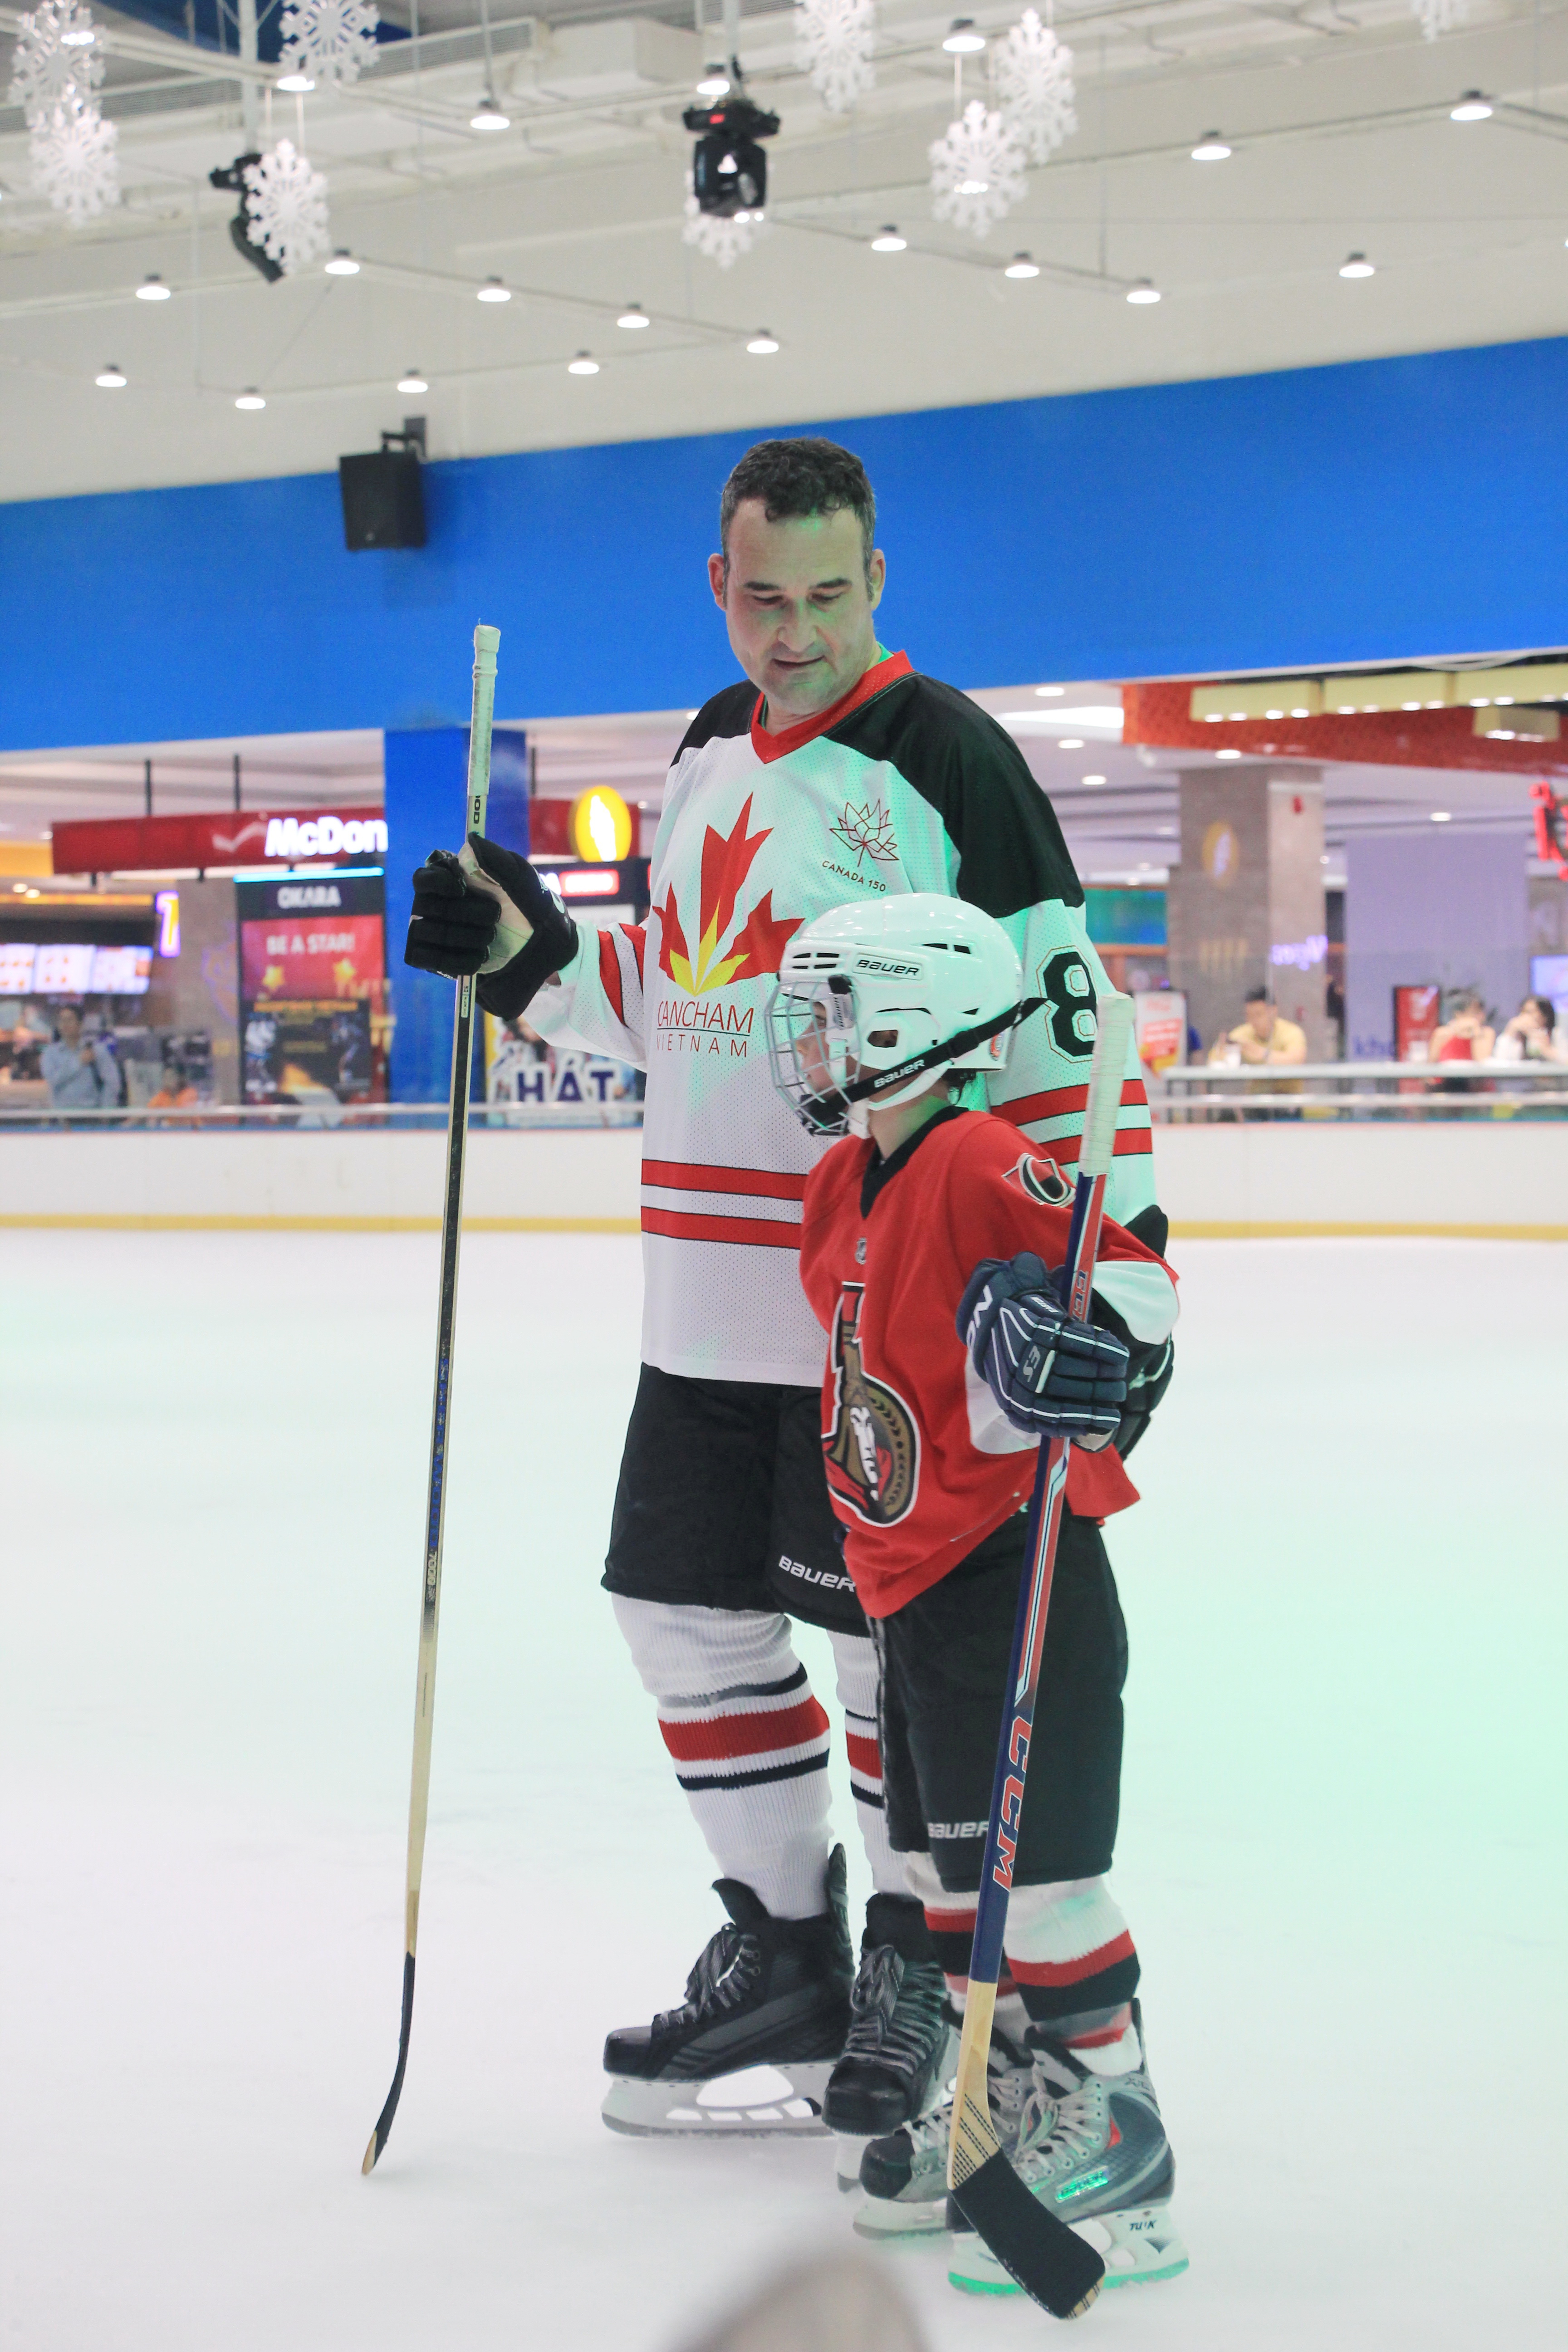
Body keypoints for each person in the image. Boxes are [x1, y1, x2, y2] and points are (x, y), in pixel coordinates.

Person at [403, 436, 1164, 2151]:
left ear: (877, 580)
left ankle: (911, 1950)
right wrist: (528, 961)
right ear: (718, 586)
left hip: (868, 1305)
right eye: (763, 595)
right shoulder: (701, 748)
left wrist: (1115, 1295)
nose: (793, 630)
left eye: (828, 594)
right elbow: (685, 1009)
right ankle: (792, 1951)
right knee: (675, 1608)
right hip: (694, 1298)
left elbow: (1065, 1046)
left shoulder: (943, 758)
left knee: (881, 1647)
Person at [776, 892, 1185, 2291]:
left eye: (833, 1008)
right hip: (914, 1580)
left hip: (1025, 1571)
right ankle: (996, 2103)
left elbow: (1136, 1289)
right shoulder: (845, 1177)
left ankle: (1119, 2136)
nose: (809, 1037)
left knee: (1049, 1879)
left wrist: (1081, 1338)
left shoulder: (976, 1156)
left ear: (912, 1020)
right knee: (955, 1873)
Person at [41, 1005, 120, 1110]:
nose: (65, 1024)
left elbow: (112, 1082)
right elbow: (53, 1080)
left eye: (70, 1020)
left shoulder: (97, 1050)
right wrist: (78, 1062)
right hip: (62, 1115)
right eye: (62, 1020)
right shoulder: (50, 1053)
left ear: (81, 1024)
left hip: (93, 1114)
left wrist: (106, 1111)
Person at [1208, 985, 1307, 1068]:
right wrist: (1222, 1052)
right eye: (1249, 1016)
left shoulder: (1291, 1033)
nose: (1253, 1021)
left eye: (1258, 1015)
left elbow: (1297, 1060)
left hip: (1289, 1091)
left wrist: (1261, 1054)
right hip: (1255, 1091)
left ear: (1274, 1011)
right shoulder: (1243, 1034)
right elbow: (1213, 1061)